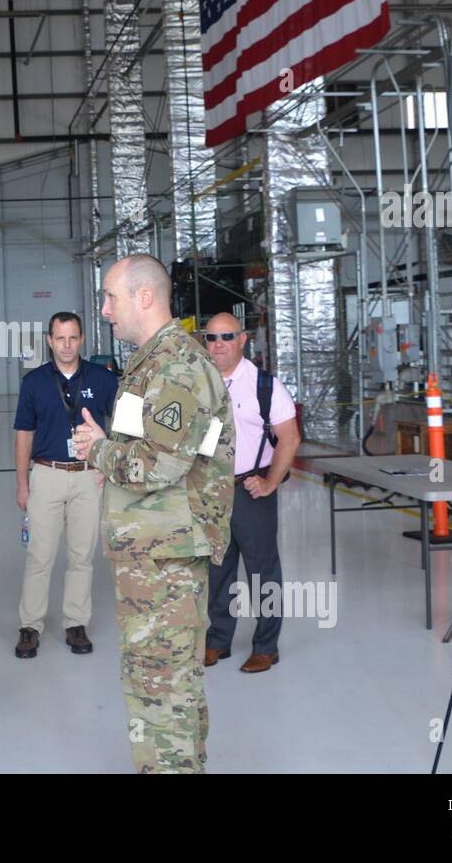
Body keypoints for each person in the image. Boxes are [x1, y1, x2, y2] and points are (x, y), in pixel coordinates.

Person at [73, 254, 234, 774]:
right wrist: (113, 459)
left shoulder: (176, 366)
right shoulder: (151, 362)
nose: (104, 310)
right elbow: (152, 453)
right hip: (150, 555)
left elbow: (158, 463)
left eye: (110, 297)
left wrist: (99, 451)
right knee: (163, 683)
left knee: (162, 687)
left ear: (144, 296)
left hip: (165, 557)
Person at [11, 311, 118, 658]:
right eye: (60, 338)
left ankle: (76, 623)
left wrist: (109, 463)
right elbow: (24, 435)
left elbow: (119, 426)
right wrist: (22, 483)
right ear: (49, 340)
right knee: (39, 556)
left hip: (89, 476)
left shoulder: (103, 379)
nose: (67, 345)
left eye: (73, 338)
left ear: (82, 339)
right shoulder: (35, 382)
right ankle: (30, 626)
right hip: (47, 475)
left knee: (81, 556)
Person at [201, 312, 300, 673]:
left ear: (242, 339)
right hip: (212, 492)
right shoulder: (199, 384)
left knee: (262, 572)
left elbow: (290, 438)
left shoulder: (264, 386)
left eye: (227, 336)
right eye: (212, 338)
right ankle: (218, 641)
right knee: (217, 571)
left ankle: (266, 646)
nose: (219, 344)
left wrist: (272, 481)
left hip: (251, 491)